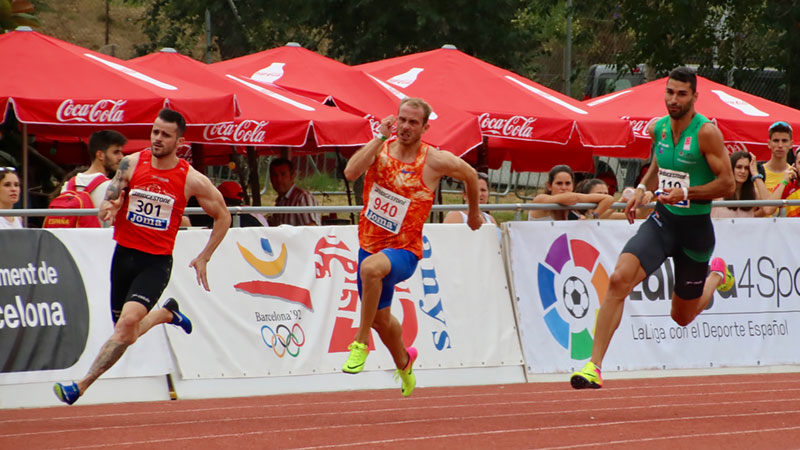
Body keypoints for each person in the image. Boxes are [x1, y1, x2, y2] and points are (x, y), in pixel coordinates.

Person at [570, 67, 736, 390]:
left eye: (681, 94)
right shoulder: (657, 128)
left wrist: (687, 193)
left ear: (695, 97)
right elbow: (657, 168)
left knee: (681, 317)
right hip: (663, 221)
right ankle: (594, 366)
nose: (674, 100)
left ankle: (717, 276)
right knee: (618, 279)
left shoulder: (707, 133)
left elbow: (727, 183)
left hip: (695, 232)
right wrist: (639, 190)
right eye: (670, 92)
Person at [53, 109, 231, 405]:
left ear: (180, 141)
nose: (158, 139)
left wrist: (205, 256)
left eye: (166, 134)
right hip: (123, 256)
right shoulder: (131, 163)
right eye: (155, 132)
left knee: (125, 328)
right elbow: (111, 196)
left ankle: (80, 386)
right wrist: (110, 205)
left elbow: (223, 216)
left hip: (155, 262)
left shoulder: (191, 179)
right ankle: (166, 314)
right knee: (125, 332)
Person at [341, 97, 481, 397]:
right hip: (369, 243)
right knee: (381, 319)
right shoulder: (379, 149)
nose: (405, 126)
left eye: (413, 122)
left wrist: (473, 212)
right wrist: (378, 136)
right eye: (402, 119)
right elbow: (351, 173)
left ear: (425, 127)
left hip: (404, 251)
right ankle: (404, 362)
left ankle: (360, 342)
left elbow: (470, 174)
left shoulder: (433, 159)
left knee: (370, 269)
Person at [528, 165, 614, 221]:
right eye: (559, 183)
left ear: (573, 186)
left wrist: (590, 217)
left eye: (568, 183)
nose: (564, 188)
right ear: (549, 186)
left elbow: (609, 198)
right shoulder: (541, 199)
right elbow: (567, 198)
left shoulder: (574, 209)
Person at [711, 151, 770, 218]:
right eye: (739, 167)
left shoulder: (754, 193)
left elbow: (769, 208)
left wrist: (755, 174)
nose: (743, 171)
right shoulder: (718, 191)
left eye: (746, 168)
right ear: (731, 168)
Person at [267, 158, 320, 226]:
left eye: (283, 174)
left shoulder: (303, 198)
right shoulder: (280, 201)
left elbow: (311, 229)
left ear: (292, 176)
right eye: (274, 175)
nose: (278, 179)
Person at [576, 178, 654, 220]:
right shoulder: (578, 216)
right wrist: (621, 201)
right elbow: (597, 217)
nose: (604, 197)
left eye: (606, 194)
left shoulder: (610, 215)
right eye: (599, 194)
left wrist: (648, 195)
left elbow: (640, 214)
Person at [761, 146, 800, 217]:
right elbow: (768, 209)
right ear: (794, 166)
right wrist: (784, 182)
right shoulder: (787, 186)